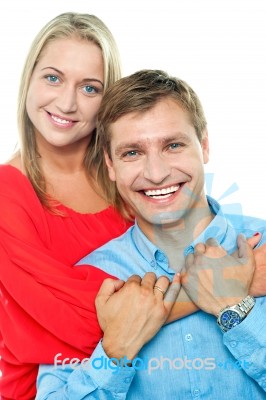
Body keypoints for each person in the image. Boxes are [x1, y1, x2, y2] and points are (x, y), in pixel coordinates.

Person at [36, 69, 266, 399]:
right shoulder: (82, 282)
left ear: (204, 146)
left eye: (173, 145)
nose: (156, 174)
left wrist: (236, 309)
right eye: (132, 152)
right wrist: (115, 351)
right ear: (110, 165)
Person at [0, 12, 131, 400]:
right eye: (53, 78)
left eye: (90, 88)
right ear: (29, 78)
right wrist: (217, 292)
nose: (67, 102)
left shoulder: (124, 174)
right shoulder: (8, 192)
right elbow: (81, 323)